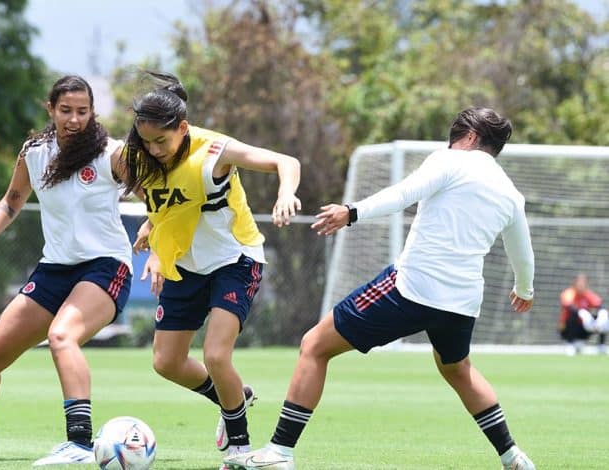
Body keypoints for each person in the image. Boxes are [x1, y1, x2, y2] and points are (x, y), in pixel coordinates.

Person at [224, 107, 537, 470]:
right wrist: (524, 290)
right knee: (458, 369)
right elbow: (522, 252)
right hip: (462, 302)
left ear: (469, 138)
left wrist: (351, 211)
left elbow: (404, 193)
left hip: (412, 287)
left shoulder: (451, 161)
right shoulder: (510, 193)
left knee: (314, 345)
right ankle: (513, 457)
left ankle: (278, 452)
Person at [0, 75, 133, 466]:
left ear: (93, 112)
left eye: (82, 111)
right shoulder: (34, 151)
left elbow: (154, 192)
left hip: (106, 266)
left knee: (61, 336)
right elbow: (12, 199)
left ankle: (80, 445)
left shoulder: (110, 153)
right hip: (55, 268)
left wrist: (156, 237)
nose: (74, 119)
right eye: (66, 110)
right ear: (50, 109)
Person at [120, 71, 301, 469]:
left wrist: (286, 192)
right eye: (145, 141)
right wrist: (153, 240)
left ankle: (239, 450)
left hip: (235, 261)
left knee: (217, 355)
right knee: (166, 362)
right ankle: (232, 396)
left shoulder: (215, 151)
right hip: (186, 267)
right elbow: (165, 203)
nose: (152, 150)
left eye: (160, 141)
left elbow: (285, 161)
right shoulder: (140, 157)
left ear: (182, 128)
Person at [559, 274, 608, 355]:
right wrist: (581, 312)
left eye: (583, 283)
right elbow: (569, 306)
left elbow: (599, 305)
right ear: (574, 283)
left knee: (602, 317)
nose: (581, 285)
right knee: (572, 315)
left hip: (584, 328)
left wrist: (601, 316)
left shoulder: (587, 294)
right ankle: (570, 344)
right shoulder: (569, 293)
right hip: (567, 329)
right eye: (579, 283)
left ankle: (601, 346)